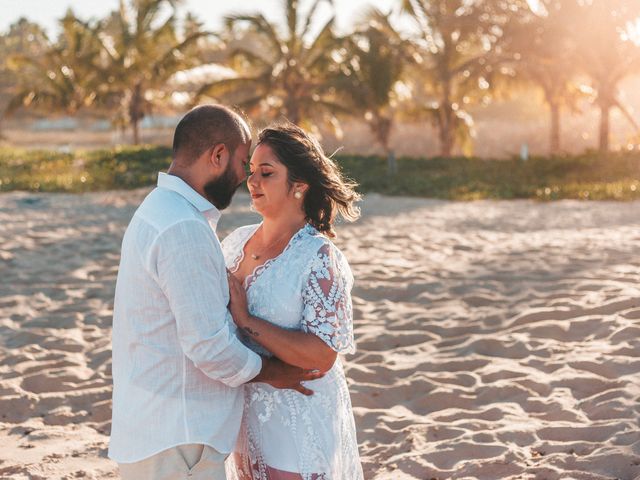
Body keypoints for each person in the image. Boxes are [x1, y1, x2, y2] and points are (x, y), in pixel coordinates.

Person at [108, 105, 323, 480]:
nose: (245, 178)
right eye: (243, 163)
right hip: (178, 442)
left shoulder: (158, 209)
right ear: (217, 156)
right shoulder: (183, 227)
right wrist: (275, 372)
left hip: (159, 432)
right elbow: (208, 346)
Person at [221, 123, 364, 479]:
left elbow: (321, 357)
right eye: (251, 172)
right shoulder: (235, 243)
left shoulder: (317, 257)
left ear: (299, 185)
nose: (253, 182)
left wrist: (247, 320)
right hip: (242, 410)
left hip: (296, 417)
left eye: (266, 173)